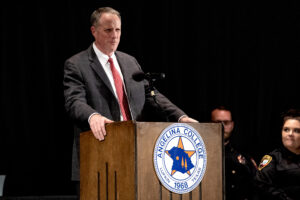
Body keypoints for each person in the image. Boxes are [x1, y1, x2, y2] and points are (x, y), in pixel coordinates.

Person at [63, 6, 197, 187]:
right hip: (98, 154)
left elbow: (151, 94)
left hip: (135, 153)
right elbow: (74, 101)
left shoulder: (129, 61)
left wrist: (180, 117)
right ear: (94, 31)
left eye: (118, 29)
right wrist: (93, 116)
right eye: (108, 30)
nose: (115, 35)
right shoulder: (77, 64)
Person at [211, 106, 258, 200]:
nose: (222, 126)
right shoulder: (199, 156)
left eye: (226, 122)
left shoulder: (244, 159)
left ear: (232, 125)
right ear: (210, 124)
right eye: (217, 122)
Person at [254, 109, 300, 200]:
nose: (290, 134)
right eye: (286, 129)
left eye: (296, 131)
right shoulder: (272, 159)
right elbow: (262, 187)